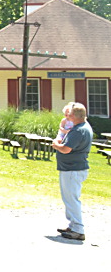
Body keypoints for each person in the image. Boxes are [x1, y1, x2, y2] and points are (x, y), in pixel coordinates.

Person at [51, 102, 93, 241]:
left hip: (73, 169)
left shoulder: (78, 130)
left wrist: (56, 145)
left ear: (75, 115)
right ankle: (73, 226)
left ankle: (78, 230)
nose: (67, 116)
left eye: (69, 114)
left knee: (72, 199)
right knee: (69, 198)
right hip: (72, 168)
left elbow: (66, 149)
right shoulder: (81, 128)